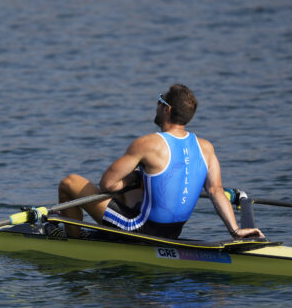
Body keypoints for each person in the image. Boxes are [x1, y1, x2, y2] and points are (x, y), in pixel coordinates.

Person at [57, 84, 264, 240]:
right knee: (134, 190)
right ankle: (105, 234)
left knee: (70, 183)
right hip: (172, 233)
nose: (157, 105)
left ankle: (74, 242)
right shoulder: (206, 148)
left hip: (140, 230)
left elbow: (107, 185)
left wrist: (135, 178)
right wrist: (235, 230)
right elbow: (216, 191)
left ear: (167, 109)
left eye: (160, 100)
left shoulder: (147, 144)